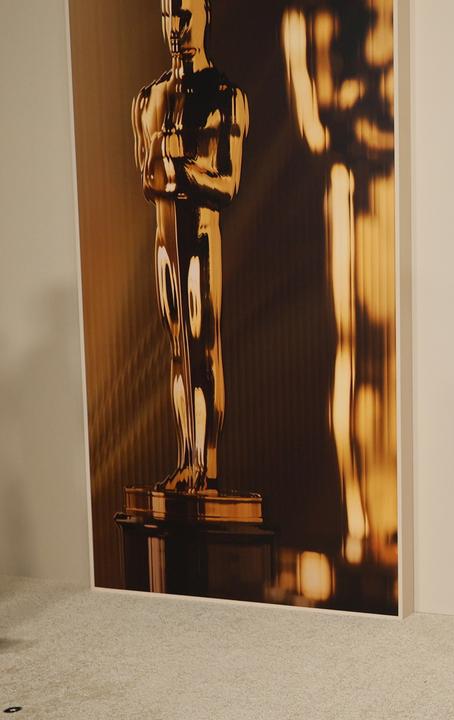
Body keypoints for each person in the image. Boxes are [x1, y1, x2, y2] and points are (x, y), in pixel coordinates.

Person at [133, 0, 248, 493]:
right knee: (177, 350)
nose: (177, 26)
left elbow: (227, 184)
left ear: (206, 17)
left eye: (186, 15)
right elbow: (145, 177)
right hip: (164, 238)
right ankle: (185, 457)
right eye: (169, 15)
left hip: (200, 232)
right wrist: (166, 170)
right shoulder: (149, 96)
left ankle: (205, 465)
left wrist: (180, 168)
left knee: (200, 348)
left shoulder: (225, 94)